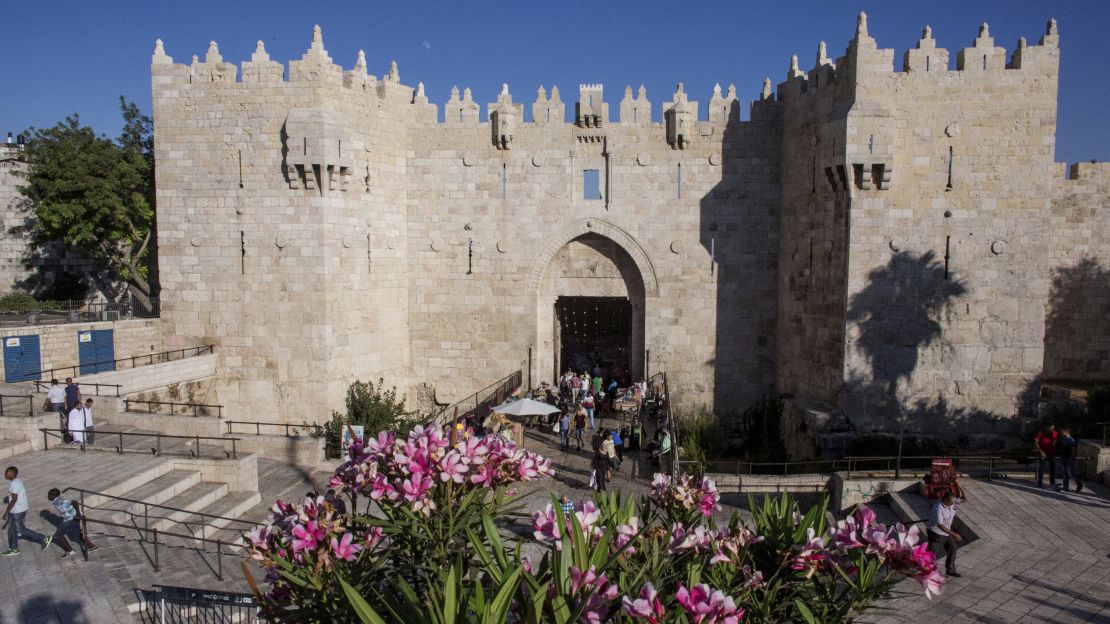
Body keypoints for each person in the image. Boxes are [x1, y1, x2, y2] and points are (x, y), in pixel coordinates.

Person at [2, 466, 50, 555]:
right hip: (16, 509)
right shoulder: (16, 481)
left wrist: (6, 512)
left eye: (6, 472)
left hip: (18, 510)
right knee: (12, 530)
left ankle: (43, 538)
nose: (5, 474)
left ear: (12, 474)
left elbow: (14, 499)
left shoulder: (14, 484)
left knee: (21, 530)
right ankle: (14, 549)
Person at [46, 488, 97, 559]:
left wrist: (78, 515)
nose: (48, 496)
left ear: (53, 496)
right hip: (70, 519)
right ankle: (92, 546)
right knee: (76, 536)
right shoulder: (56, 501)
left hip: (72, 519)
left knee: (58, 535)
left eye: (49, 495)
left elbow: (75, 503)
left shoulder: (60, 501)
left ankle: (70, 550)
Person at [927, 491, 963, 578]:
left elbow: (964, 499)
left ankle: (950, 571)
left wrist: (961, 489)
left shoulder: (952, 502)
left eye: (953, 501)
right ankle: (928, 572)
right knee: (933, 552)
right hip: (936, 532)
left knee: (952, 549)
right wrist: (954, 534)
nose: (952, 503)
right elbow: (940, 525)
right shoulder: (938, 508)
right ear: (945, 499)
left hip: (946, 533)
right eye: (951, 501)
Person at [1056, 427, 1083, 493]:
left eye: (1062, 432)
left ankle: (1079, 484)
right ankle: (1065, 487)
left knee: (1072, 473)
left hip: (1069, 459)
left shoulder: (1071, 440)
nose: (1061, 433)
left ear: (1066, 432)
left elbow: (1074, 450)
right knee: (1064, 474)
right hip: (1063, 458)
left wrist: (1071, 458)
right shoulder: (1062, 439)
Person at [1034, 423, 1058, 489]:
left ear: (1053, 427)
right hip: (1043, 452)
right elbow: (1036, 442)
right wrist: (1041, 451)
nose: (1050, 428)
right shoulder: (1041, 432)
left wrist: (1053, 449)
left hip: (1051, 453)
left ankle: (1052, 482)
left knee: (1053, 467)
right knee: (1041, 468)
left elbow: (1054, 442)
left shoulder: (1055, 433)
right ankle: (1040, 482)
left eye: (1051, 427)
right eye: (1049, 427)